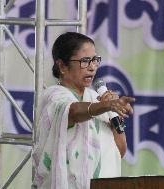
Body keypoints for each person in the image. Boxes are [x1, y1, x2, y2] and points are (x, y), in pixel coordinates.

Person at [32, 32, 135, 189]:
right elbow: (72, 112)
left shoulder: (97, 99)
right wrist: (107, 106)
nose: (92, 67)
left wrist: (115, 115)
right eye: (85, 61)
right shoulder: (54, 97)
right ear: (62, 66)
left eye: (95, 60)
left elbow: (119, 151)